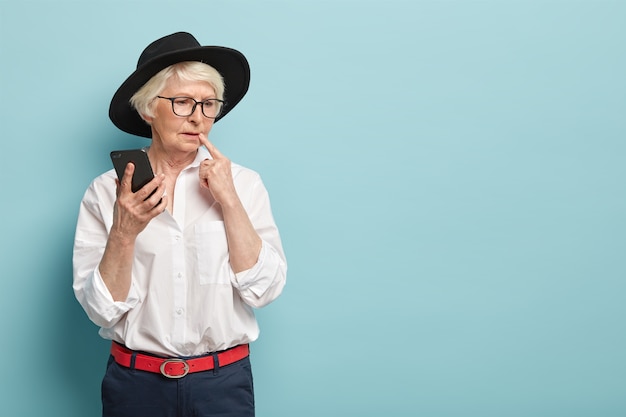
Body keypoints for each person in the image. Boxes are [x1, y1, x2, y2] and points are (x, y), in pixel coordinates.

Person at [73, 32, 287, 417]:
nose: (198, 117)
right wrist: (124, 231)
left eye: (208, 105)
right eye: (183, 102)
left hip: (223, 385)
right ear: (147, 109)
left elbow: (265, 291)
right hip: (135, 386)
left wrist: (230, 200)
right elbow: (101, 312)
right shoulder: (106, 192)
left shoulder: (245, 184)